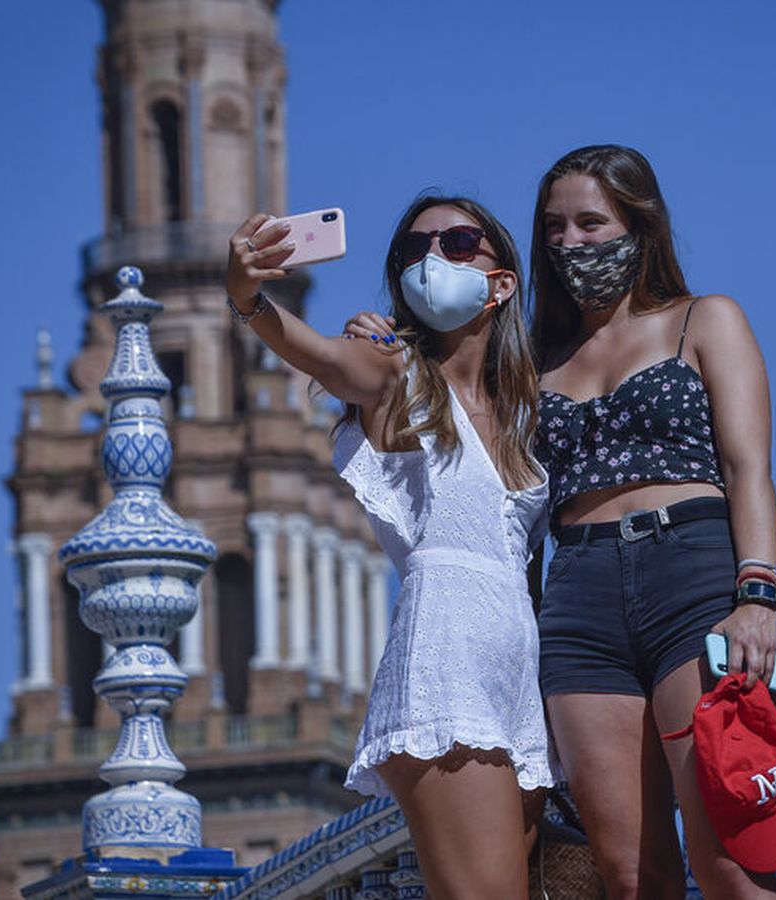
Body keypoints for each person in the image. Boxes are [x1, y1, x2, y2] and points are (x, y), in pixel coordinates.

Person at [345, 146, 776, 898]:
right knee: (628, 871)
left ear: (639, 228)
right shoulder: (535, 363)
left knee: (730, 859)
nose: (571, 243)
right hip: (578, 606)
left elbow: (749, 467)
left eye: (591, 223)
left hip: (695, 580)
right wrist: (387, 338)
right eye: (554, 228)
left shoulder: (704, 321)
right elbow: (475, 458)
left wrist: (758, 594)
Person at [225, 196, 554, 900]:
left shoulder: (523, 405)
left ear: (503, 282)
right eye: (413, 250)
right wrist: (247, 296)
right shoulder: (393, 373)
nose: (432, 259)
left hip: (516, 685)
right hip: (447, 674)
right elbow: (313, 352)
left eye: (459, 243)